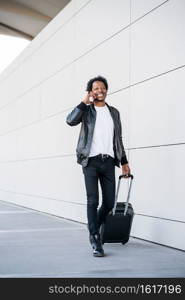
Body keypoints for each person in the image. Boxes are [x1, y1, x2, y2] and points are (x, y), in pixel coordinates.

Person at [66, 75, 131, 257]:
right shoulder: (86, 111)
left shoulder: (114, 113)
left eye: (102, 88)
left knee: (109, 203)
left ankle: (95, 225)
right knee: (92, 200)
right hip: (90, 161)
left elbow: (118, 140)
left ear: (106, 90)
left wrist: (124, 162)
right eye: (95, 88)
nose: (99, 90)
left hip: (109, 161)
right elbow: (70, 121)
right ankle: (94, 237)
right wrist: (83, 102)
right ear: (91, 92)